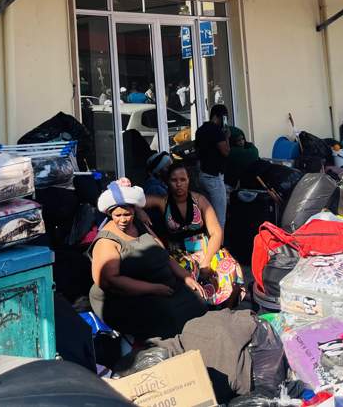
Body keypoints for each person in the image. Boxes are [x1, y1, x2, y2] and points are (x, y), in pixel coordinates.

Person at [89, 180, 208, 340]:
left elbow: (163, 255)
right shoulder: (106, 242)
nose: (123, 220)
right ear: (111, 214)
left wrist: (186, 277)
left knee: (197, 301)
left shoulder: (140, 225)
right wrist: (153, 288)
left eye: (127, 214)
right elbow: (110, 280)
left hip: (162, 285)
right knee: (169, 316)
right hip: (128, 297)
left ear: (134, 211)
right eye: (118, 215)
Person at [146, 162, 243, 307]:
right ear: (168, 182)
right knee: (185, 275)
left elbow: (216, 232)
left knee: (230, 267)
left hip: (206, 249)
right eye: (174, 180)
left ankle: (225, 311)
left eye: (183, 180)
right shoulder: (162, 202)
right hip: (180, 254)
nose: (179, 184)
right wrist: (140, 212)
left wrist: (207, 260)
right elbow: (135, 202)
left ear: (189, 180)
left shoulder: (199, 200)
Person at [194, 104, 231, 228]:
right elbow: (225, 151)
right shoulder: (217, 131)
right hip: (213, 177)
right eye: (223, 118)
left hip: (202, 174)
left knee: (207, 216)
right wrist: (226, 137)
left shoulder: (201, 130)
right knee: (220, 218)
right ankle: (219, 245)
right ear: (217, 117)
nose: (224, 121)